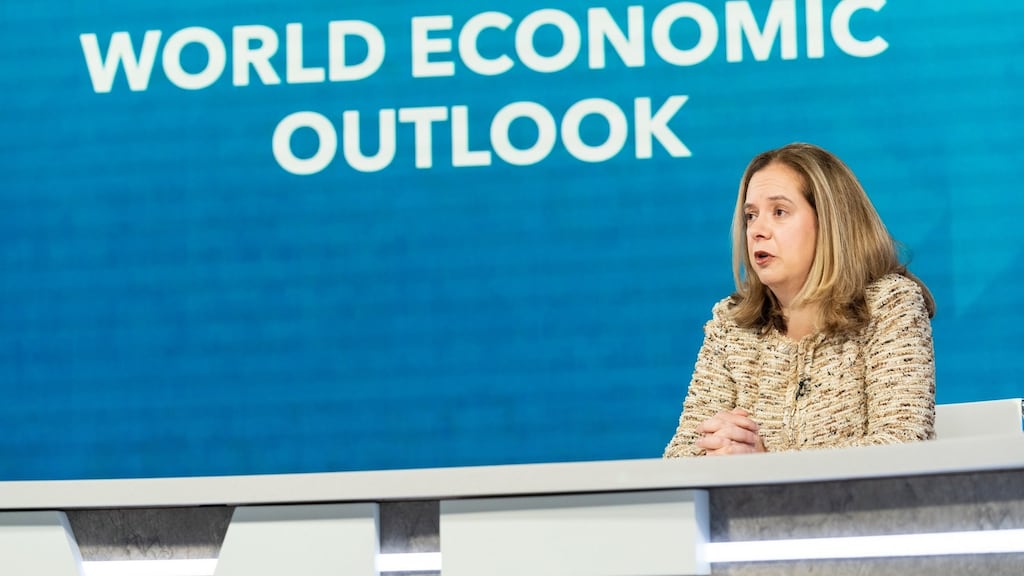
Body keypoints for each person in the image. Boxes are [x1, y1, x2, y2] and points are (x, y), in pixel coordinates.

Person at [663, 143, 936, 457]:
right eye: (751, 216)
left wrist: (767, 464)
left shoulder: (890, 305)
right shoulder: (732, 323)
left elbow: (902, 446)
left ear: (831, 222)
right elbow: (680, 455)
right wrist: (716, 451)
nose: (757, 231)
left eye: (779, 212)